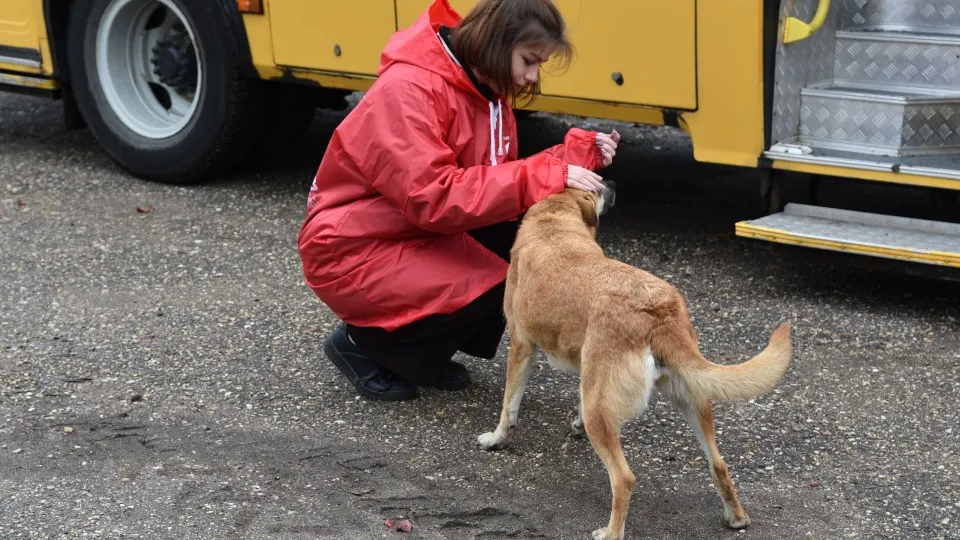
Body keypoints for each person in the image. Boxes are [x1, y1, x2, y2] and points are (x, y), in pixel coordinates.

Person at [297, 0, 620, 401]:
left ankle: (416, 354)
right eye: (529, 61)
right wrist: (547, 174)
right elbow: (433, 197)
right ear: (496, 44)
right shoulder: (410, 89)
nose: (532, 76)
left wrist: (578, 157)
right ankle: (362, 344)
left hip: (403, 230)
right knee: (505, 279)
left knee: (525, 250)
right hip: (353, 248)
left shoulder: (480, 83)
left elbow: (487, 179)